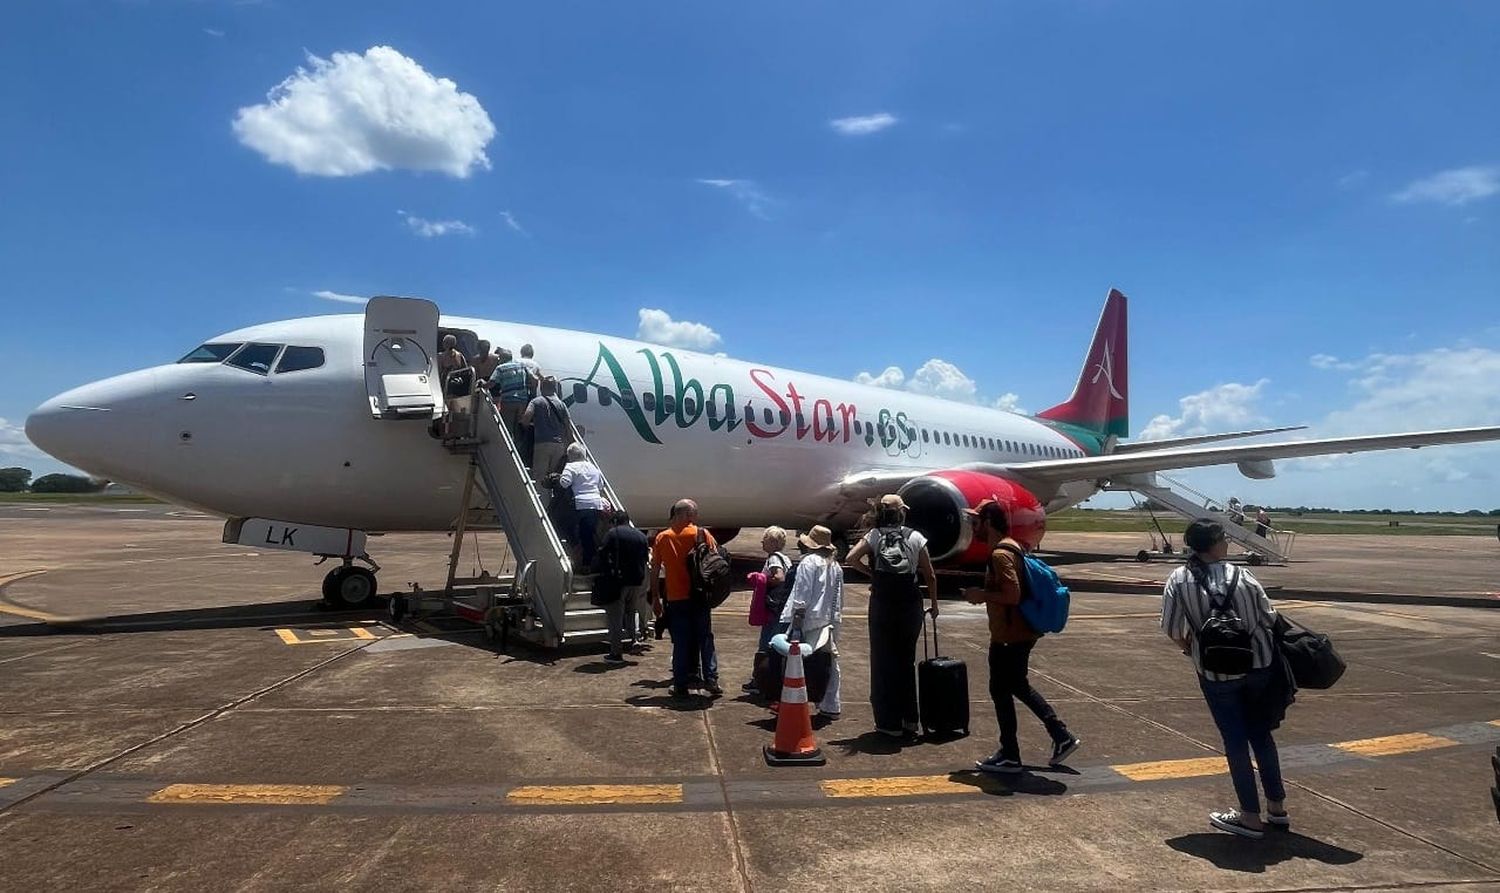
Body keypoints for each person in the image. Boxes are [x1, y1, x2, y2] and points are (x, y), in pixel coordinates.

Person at [1162, 518, 1286, 839]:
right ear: (1216, 543)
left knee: (1235, 741)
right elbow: (1269, 617)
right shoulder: (1243, 575)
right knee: (1261, 736)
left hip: (1216, 672)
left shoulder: (1179, 579)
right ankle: (1277, 808)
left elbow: (1173, 628)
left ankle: (1249, 816)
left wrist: (1193, 650)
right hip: (1258, 666)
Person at [965, 500, 1080, 773]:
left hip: (1010, 636)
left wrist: (981, 595)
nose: (973, 527)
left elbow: (1012, 594)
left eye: (976, 522)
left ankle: (1012, 754)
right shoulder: (1011, 546)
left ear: (988, 522)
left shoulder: (1000, 555)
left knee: (1002, 691)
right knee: (1015, 686)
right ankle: (1059, 737)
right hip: (1018, 633)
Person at [846, 494, 939, 737]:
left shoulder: (874, 536)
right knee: (906, 662)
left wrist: (872, 574)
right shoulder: (915, 536)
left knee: (883, 662)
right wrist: (935, 605)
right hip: (910, 604)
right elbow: (930, 575)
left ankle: (888, 723)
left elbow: (850, 558)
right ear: (902, 513)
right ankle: (910, 720)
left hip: (883, 604)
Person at [649, 499, 721, 699]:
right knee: (705, 638)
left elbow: (654, 571)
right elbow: (716, 564)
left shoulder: (663, 538)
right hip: (699, 596)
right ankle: (711, 678)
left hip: (676, 598)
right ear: (688, 515)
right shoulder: (702, 534)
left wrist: (655, 597)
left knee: (681, 642)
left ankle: (680, 684)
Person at [781, 525, 843, 718]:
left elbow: (802, 593)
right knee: (829, 661)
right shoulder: (835, 564)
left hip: (809, 618)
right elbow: (839, 596)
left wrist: (796, 619)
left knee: (799, 662)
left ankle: (799, 699)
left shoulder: (809, 562)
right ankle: (830, 703)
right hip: (830, 618)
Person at [592, 510, 649, 664]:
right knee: (631, 612)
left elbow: (602, 554)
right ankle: (634, 640)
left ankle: (616, 653)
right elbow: (645, 558)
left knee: (615, 618)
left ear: (615, 521)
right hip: (637, 581)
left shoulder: (612, 534)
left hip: (617, 582)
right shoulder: (641, 536)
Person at [743, 527, 792, 694]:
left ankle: (760, 680)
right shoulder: (786, 559)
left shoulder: (774, 559)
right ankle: (773, 678)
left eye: (765, 539)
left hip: (773, 608)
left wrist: (761, 581)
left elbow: (779, 577)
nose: (762, 542)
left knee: (766, 644)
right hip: (783, 607)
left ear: (772, 543)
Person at [558, 442, 606, 567]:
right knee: (588, 534)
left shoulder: (571, 466)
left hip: (580, 504)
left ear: (570, 455)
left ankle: (584, 560)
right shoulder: (593, 467)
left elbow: (564, 483)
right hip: (595, 504)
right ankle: (588, 561)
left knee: (566, 527)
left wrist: (558, 476)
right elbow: (601, 486)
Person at [523, 377, 572, 491]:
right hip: (559, 445)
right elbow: (568, 427)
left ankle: (541, 504)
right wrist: (572, 443)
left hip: (543, 443)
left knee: (540, 477)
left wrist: (528, 427)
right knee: (554, 477)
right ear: (554, 388)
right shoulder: (562, 404)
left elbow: (526, 418)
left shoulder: (537, 401)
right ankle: (551, 504)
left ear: (542, 387)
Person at [489, 348, 532, 439]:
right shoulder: (521, 365)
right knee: (518, 428)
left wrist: (481, 384)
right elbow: (533, 379)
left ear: (502, 358)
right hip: (522, 402)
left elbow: (491, 383)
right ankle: (519, 447)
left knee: (507, 428)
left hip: (509, 401)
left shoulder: (500, 368)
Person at [437, 334, 471, 439]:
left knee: (446, 410)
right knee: (455, 410)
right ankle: (455, 432)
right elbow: (466, 370)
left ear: (445, 344)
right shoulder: (459, 355)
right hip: (458, 386)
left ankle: (446, 432)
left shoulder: (441, 356)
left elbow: (438, 372)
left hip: (447, 386)